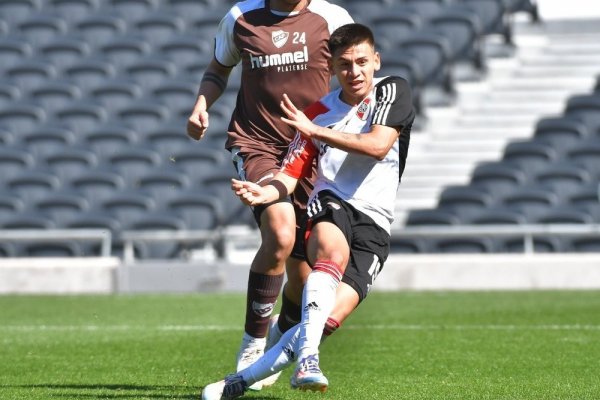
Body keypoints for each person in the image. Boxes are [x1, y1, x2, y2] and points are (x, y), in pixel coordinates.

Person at [201, 22, 415, 399]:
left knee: (323, 320)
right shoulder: (316, 113)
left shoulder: (392, 89)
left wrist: (317, 133)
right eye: (345, 65)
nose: (355, 72)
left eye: (362, 62)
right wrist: (264, 191)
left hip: (376, 223)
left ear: (376, 60)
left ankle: (239, 382)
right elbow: (289, 175)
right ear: (331, 68)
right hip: (332, 203)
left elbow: (378, 145)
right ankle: (308, 360)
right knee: (331, 251)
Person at [186, 0, 353, 390]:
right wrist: (200, 105)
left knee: (303, 275)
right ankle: (252, 345)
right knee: (280, 234)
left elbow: (353, 72)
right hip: (257, 143)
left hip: (312, 147)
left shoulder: (333, 18)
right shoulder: (241, 17)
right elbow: (218, 69)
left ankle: (277, 344)